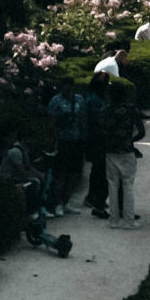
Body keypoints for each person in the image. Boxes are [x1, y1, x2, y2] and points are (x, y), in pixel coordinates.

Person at [93, 74, 146, 226]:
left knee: (112, 184)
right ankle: (129, 220)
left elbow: (100, 130)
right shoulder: (131, 109)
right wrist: (130, 140)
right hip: (127, 150)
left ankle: (114, 219)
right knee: (128, 185)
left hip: (110, 151)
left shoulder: (106, 110)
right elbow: (142, 132)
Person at [45, 73, 97, 214]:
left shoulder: (79, 99)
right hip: (62, 141)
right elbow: (51, 123)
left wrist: (85, 138)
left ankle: (66, 201)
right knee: (61, 173)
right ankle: (57, 203)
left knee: (74, 174)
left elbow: (83, 120)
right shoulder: (55, 101)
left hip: (77, 141)